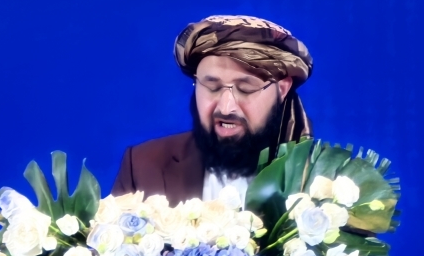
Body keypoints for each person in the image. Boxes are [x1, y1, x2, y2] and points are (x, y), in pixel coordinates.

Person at [111, 14, 314, 205]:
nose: (226, 107)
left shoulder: (317, 177)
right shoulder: (142, 166)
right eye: (212, 86)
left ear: (282, 89)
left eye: (245, 88)